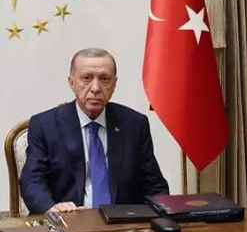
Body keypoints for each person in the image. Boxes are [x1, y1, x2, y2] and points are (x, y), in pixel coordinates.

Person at [20, 48, 169, 214]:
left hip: (123, 223)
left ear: (114, 84)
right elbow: (32, 181)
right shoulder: (45, 125)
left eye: (104, 79)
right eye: (86, 78)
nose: (96, 88)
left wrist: (161, 219)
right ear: (71, 82)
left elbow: (154, 185)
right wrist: (53, 209)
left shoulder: (134, 124)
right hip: (68, 220)